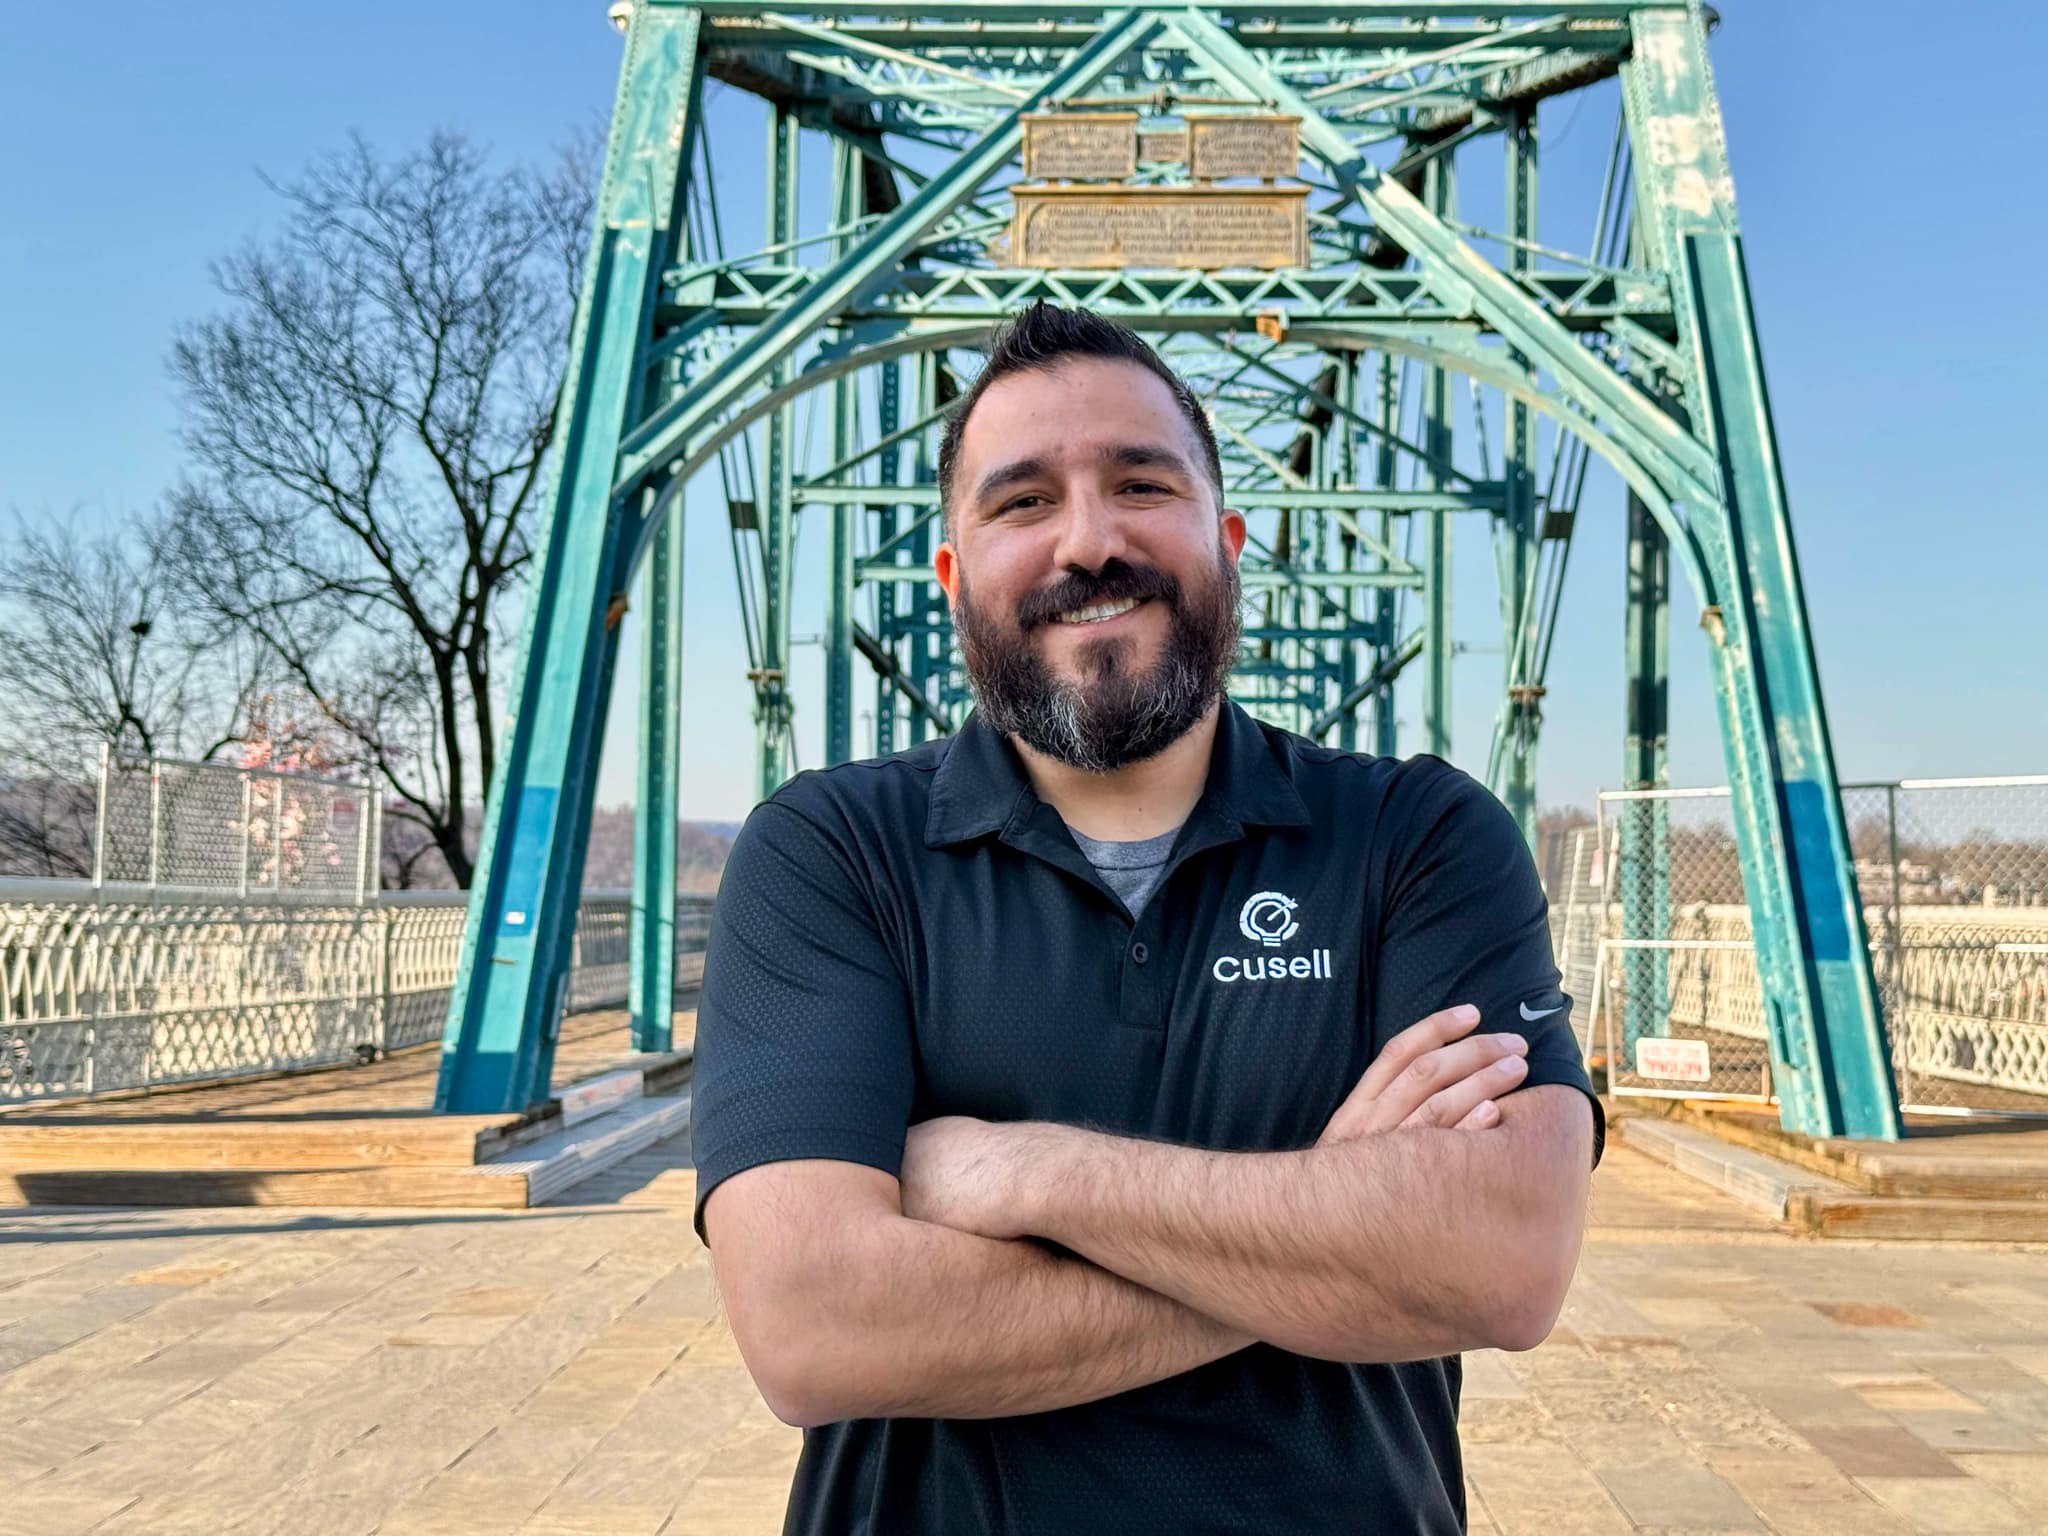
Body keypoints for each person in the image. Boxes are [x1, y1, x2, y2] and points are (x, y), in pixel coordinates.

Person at [690, 301, 1602, 1534]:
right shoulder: (830, 851)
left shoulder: (1418, 837)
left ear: (1226, 543)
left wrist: (1026, 1172)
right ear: (952, 580)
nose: (1088, 541)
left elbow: (1502, 1262)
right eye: (1021, 501)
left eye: (1141, 484)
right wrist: (1336, 1228)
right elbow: (814, 1328)